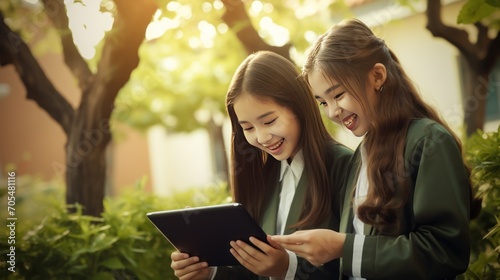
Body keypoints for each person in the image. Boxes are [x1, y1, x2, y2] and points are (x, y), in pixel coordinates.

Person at [271, 18, 480, 279]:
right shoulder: (361, 155)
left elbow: (445, 251)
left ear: (378, 76)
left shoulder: (428, 141)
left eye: (337, 95)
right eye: (322, 102)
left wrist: (343, 247)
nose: (333, 112)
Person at [170, 50, 353, 280]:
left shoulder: (342, 165)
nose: (262, 137)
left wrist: (288, 268)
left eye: (269, 121)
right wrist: (209, 271)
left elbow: (355, 264)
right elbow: (253, 271)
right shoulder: (264, 177)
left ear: (299, 107)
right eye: (248, 128)